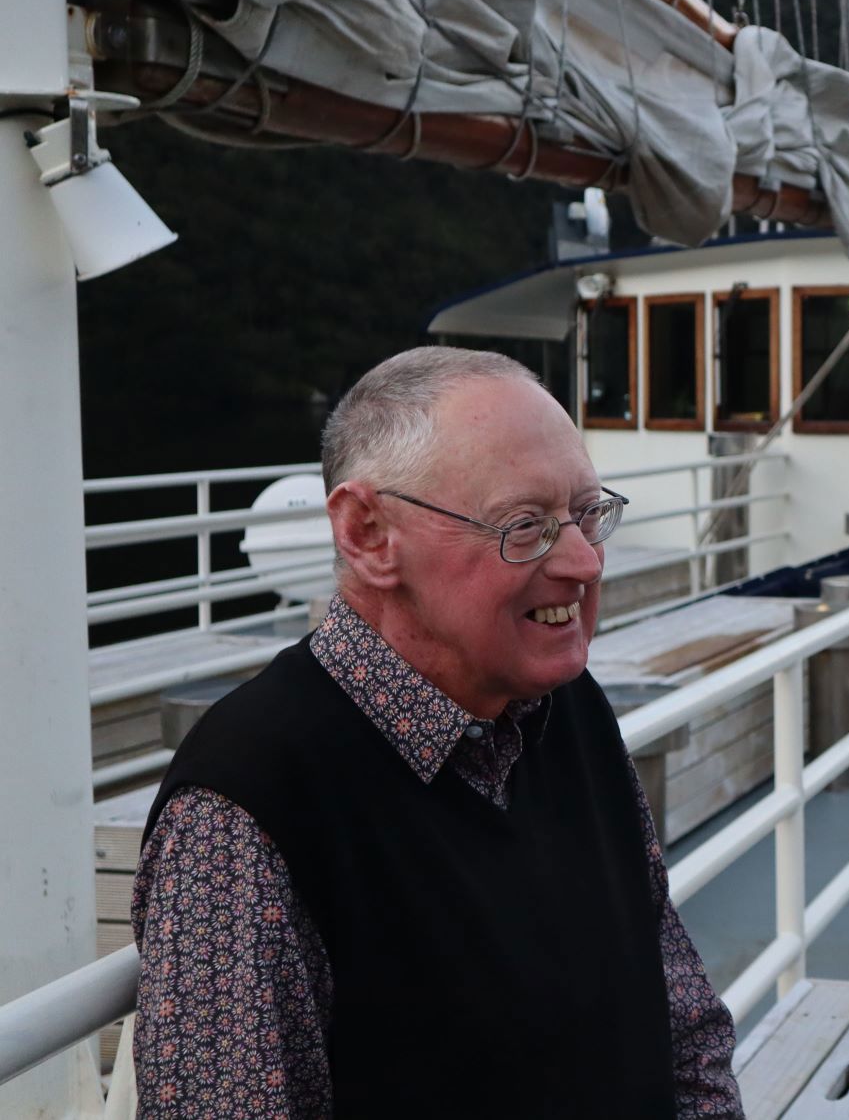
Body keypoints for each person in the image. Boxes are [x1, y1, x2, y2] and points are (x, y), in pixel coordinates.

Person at [130, 347, 743, 1117]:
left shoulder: (568, 708)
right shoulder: (245, 808)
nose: (585, 562)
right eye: (526, 525)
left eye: (589, 514)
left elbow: (682, 1025)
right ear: (369, 534)